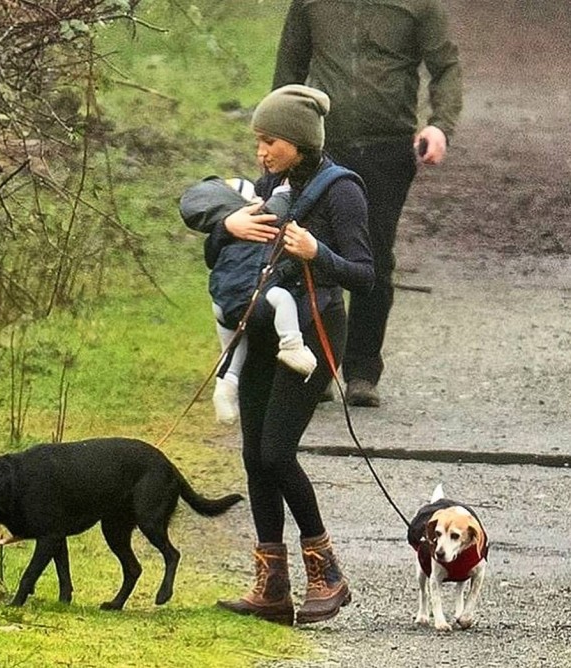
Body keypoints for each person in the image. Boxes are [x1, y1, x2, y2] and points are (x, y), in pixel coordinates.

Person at [210, 84, 374, 625]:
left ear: (300, 142)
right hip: (263, 328)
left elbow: (366, 275)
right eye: (258, 141)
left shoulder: (342, 191)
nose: (261, 152)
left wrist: (316, 251)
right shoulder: (268, 185)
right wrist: (226, 225)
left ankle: (327, 573)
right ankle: (272, 586)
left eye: (271, 141)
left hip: (317, 334)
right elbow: (228, 252)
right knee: (254, 456)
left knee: (277, 452)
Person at [273, 0, 463, 407]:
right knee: (306, 250)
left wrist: (439, 124)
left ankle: (361, 371)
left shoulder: (419, 6)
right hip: (322, 145)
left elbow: (445, 67)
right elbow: (289, 69)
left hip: (388, 148)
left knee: (372, 254)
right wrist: (279, 136)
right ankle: (316, 366)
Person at [180, 176, 317, 425]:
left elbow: (211, 257)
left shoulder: (225, 227)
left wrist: (224, 227)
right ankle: (292, 345)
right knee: (282, 298)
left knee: (233, 352)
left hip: (222, 303)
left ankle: (225, 386)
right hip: (255, 298)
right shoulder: (265, 218)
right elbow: (285, 202)